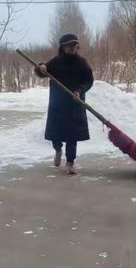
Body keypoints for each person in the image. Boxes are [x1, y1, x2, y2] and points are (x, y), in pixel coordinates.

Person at [35, 34, 94, 175]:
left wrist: (80, 90)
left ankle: (70, 162)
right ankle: (58, 149)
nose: (72, 48)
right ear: (62, 47)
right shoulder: (55, 62)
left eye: (74, 45)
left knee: (71, 136)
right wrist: (41, 67)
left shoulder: (82, 63)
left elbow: (89, 80)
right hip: (58, 104)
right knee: (55, 134)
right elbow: (42, 71)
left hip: (75, 103)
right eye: (69, 45)